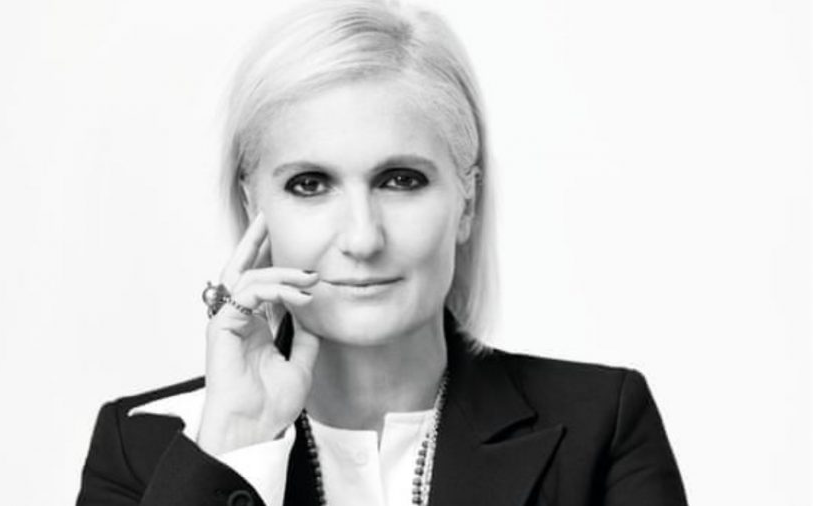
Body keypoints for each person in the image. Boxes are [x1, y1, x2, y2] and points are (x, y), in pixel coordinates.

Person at [75, 1, 689, 505]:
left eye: (401, 180)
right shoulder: (141, 449)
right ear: (252, 205)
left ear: (467, 202)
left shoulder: (600, 427)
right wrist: (235, 445)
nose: (363, 238)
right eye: (310, 184)